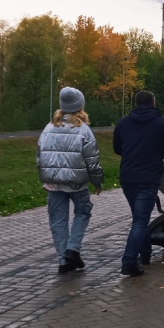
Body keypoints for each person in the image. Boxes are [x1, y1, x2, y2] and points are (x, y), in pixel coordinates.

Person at [113, 90, 164, 277]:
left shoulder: (123, 123)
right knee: (140, 219)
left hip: (128, 176)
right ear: (153, 103)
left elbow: (117, 148)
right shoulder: (161, 123)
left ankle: (145, 253)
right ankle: (129, 261)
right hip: (149, 177)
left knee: (138, 216)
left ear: (135, 104)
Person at [37, 87, 104, 274]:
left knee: (58, 220)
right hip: (77, 182)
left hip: (54, 183)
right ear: (79, 106)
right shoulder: (84, 130)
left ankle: (63, 260)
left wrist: (45, 178)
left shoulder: (48, 128)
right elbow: (92, 160)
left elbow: (39, 156)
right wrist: (97, 181)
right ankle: (73, 248)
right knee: (83, 212)